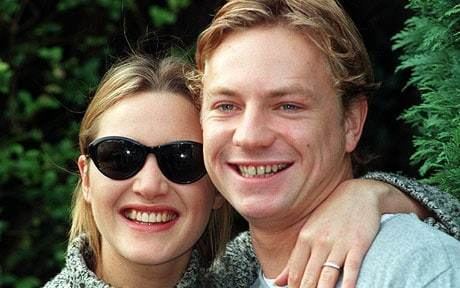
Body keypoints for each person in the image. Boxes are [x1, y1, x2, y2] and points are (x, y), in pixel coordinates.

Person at [195, 0, 460, 287]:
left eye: (288, 106)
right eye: (226, 106)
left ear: (351, 123)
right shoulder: (226, 278)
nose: (250, 137)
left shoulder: (416, 268)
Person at [44, 55, 233, 287]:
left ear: (218, 185)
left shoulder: (262, 276)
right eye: (119, 157)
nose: (150, 186)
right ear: (86, 179)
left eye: (182, 158)